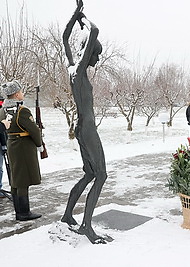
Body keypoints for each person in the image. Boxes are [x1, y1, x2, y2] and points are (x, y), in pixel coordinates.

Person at [60, 0, 110, 244]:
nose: (97, 60)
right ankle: (86, 226)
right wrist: (83, 19)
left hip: (81, 128)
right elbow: (95, 31)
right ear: (89, 52)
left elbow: (64, 38)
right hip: (88, 129)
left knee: (90, 173)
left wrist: (75, 16)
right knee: (101, 175)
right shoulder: (78, 71)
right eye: (96, 55)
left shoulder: (72, 70)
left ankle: (68, 215)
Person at [0, 80, 42, 220]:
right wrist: (39, 144)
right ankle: (24, 212)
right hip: (24, 146)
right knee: (23, 179)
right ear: (17, 94)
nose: (22, 94)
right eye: (21, 92)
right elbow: (34, 131)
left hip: (11, 144)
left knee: (15, 179)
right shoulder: (22, 111)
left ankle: (19, 210)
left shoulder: (3, 110)